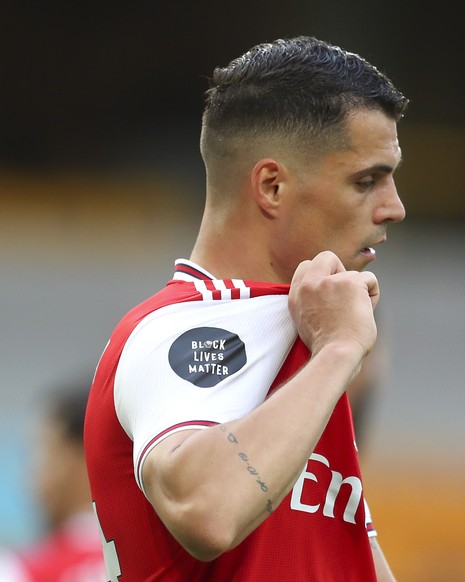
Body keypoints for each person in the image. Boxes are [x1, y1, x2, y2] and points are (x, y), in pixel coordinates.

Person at [84, 35, 407, 581]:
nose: (394, 208)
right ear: (272, 186)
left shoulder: (302, 341)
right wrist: (341, 350)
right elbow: (204, 509)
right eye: (366, 181)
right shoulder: (186, 328)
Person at [0, 380, 105, 581]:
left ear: (78, 458)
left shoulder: (19, 572)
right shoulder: (165, 560)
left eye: (40, 454)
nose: (28, 479)